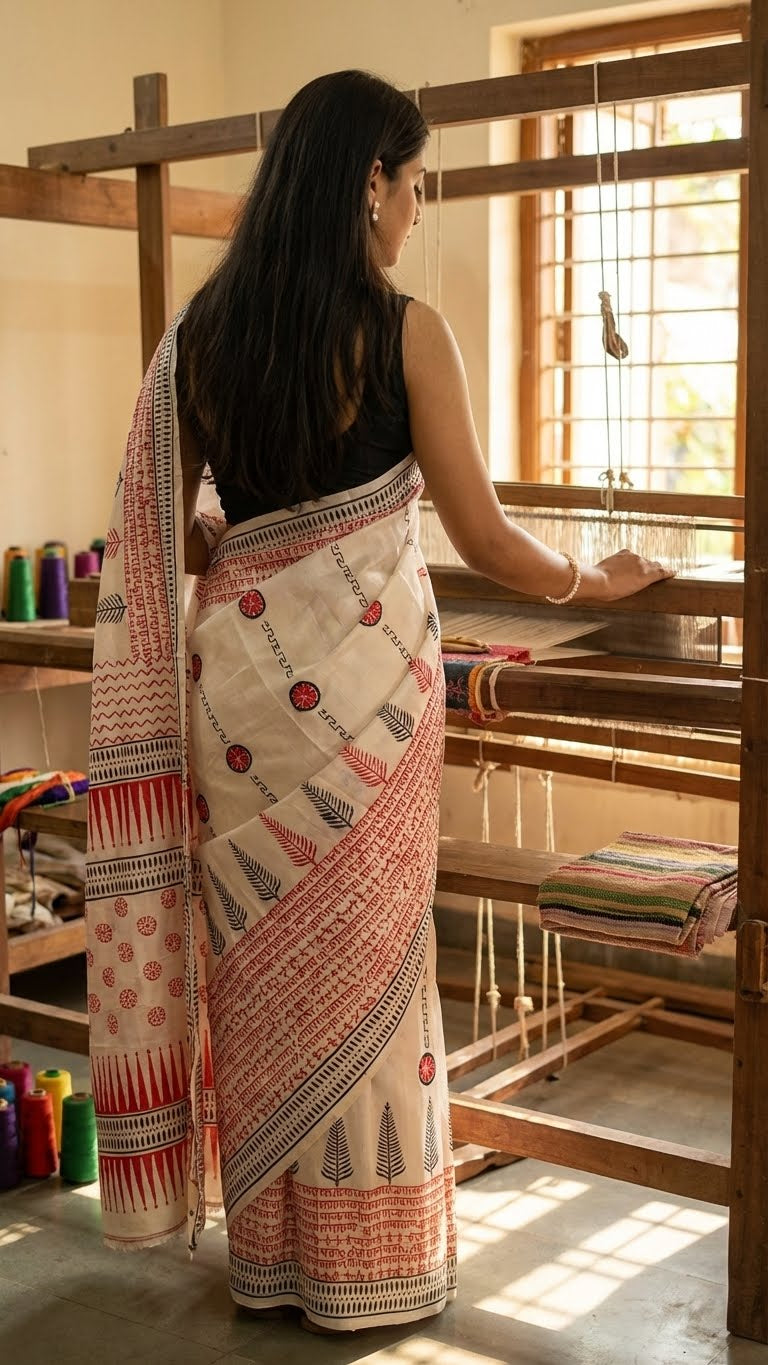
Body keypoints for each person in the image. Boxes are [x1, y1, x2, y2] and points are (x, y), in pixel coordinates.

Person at [85, 69, 671, 1337]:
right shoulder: (406, 331)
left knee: (257, 964)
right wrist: (597, 580)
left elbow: (170, 533)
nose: (417, 211)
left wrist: (257, 546)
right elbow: (487, 538)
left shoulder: (205, 330)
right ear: (369, 183)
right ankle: (363, 1273)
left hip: (238, 698)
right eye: (415, 185)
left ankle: (274, 1266)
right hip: (361, 702)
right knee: (372, 980)